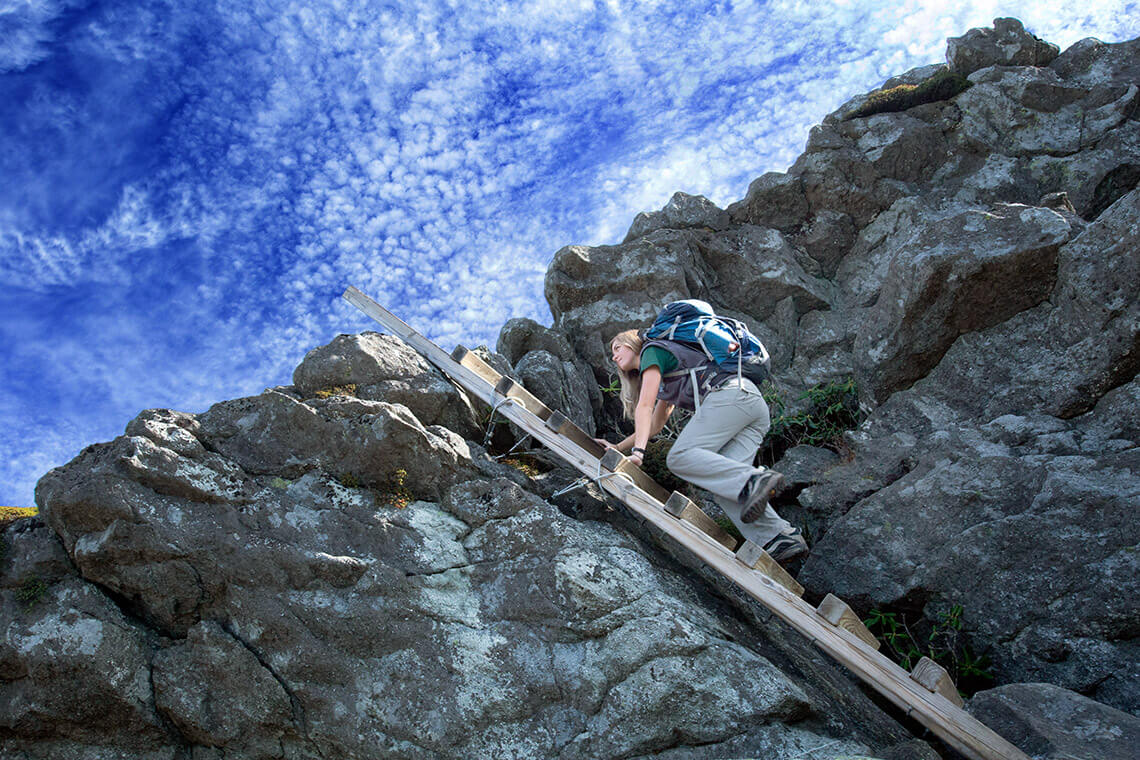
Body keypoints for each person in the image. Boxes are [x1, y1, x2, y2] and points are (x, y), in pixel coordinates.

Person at [594, 328, 807, 562]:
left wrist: (638, 453)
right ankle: (780, 536)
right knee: (725, 485)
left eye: (617, 348)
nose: (614, 356)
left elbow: (645, 407)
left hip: (730, 395)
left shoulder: (652, 352)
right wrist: (618, 447)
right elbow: (655, 424)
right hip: (750, 404)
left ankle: (755, 479)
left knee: (680, 457)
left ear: (632, 344)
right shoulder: (668, 369)